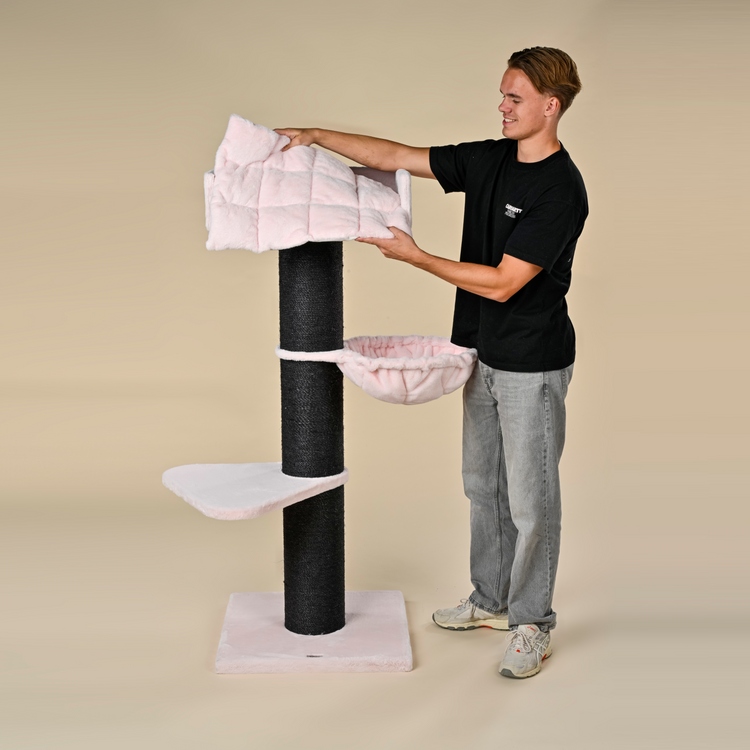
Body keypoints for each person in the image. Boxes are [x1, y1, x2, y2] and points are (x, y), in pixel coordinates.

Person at [275, 46, 587, 679]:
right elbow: (396, 156)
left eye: (515, 98)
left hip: (532, 363)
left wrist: (415, 257)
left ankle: (532, 623)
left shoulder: (560, 190)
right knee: (483, 487)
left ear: (550, 106)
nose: (502, 106)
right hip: (481, 352)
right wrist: (314, 135)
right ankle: (491, 600)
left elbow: (505, 283)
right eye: (502, 94)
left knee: (531, 501)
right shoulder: (491, 157)